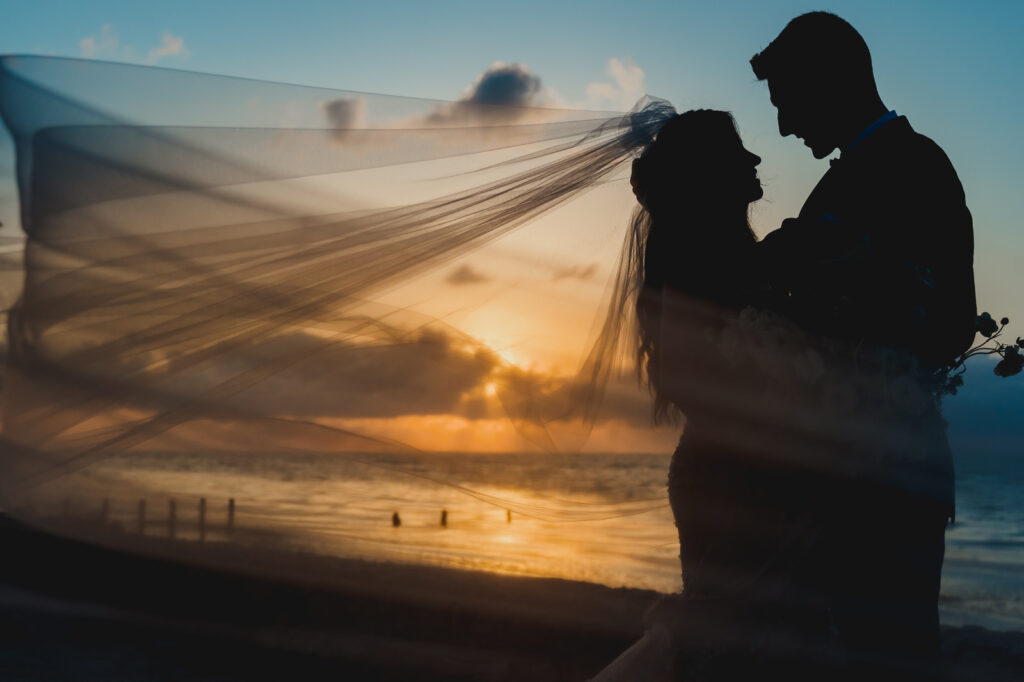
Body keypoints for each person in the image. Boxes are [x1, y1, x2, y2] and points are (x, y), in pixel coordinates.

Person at [750, 11, 977, 677]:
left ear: (832, 81)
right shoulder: (841, 179)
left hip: (892, 484)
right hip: (838, 479)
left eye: (788, 102)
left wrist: (848, 289)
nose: (786, 125)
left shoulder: (919, 164)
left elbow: (953, 326)